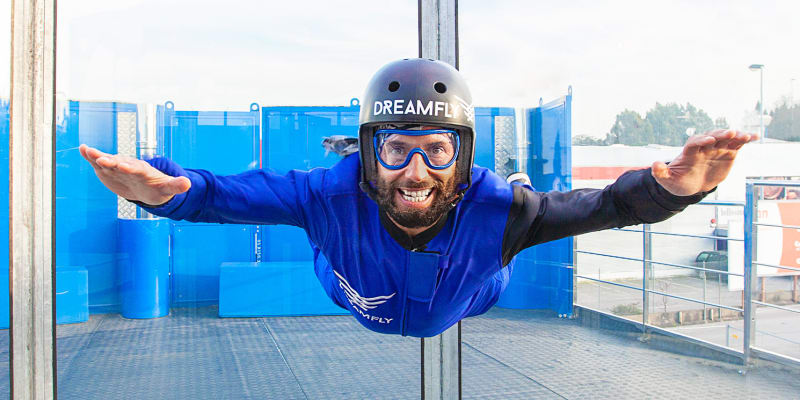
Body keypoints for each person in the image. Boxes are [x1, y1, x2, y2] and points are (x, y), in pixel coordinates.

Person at [79, 58, 757, 337]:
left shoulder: (502, 211)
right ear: (371, 152)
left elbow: (606, 206)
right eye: (395, 148)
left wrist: (672, 191)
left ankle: (485, 243)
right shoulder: (327, 197)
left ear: (462, 159)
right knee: (314, 209)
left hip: (467, 286)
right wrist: (170, 192)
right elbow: (227, 196)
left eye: (436, 149)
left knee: (517, 228)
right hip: (349, 282)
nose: (413, 172)